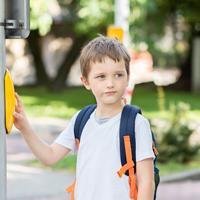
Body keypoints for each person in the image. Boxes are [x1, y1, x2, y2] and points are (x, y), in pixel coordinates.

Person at [13, 36, 155, 200]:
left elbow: (146, 182)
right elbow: (50, 156)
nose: (110, 83)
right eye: (101, 76)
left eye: (118, 75)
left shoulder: (136, 123)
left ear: (128, 78)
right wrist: (24, 127)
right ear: (86, 81)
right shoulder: (81, 120)